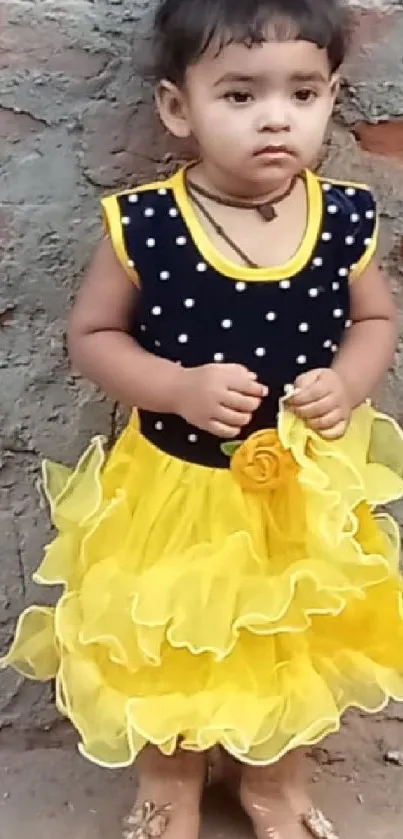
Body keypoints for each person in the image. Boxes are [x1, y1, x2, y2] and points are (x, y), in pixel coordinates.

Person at [3, 0, 403, 836]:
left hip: (300, 492)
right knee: (172, 640)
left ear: (332, 96)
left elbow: (373, 320)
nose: (274, 119)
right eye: (239, 95)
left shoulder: (342, 219)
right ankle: (171, 778)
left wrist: (348, 380)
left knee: (287, 633)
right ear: (177, 108)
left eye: (302, 94)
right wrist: (175, 387)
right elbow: (94, 335)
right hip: (176, 488)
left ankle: (271, 778)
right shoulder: (146, 224)